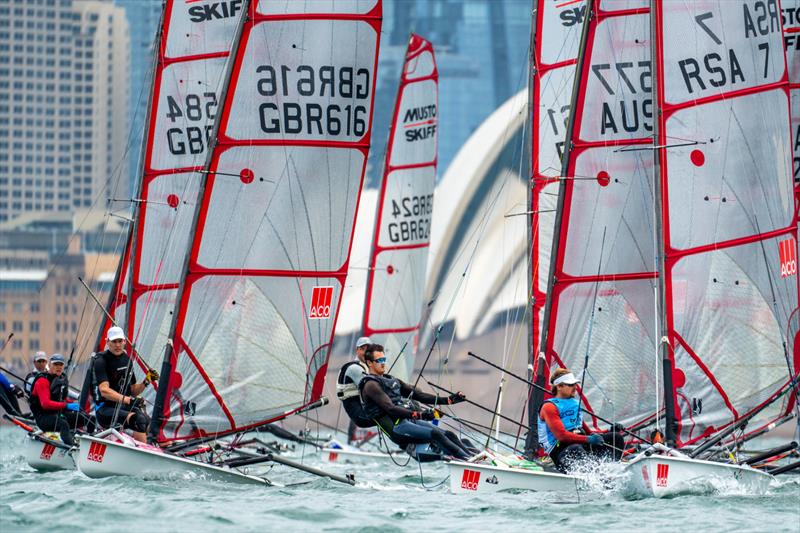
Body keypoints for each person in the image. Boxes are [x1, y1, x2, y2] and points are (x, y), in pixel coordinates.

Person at [358, 344, 474, 460]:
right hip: (397, 428)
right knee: (436, 435)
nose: (383, 363)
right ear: (369, 363)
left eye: (384, 359)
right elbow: (390, 408)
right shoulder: (370, 385)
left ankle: (473, 457)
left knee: (449, 434)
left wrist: (448, 400)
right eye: (379, 360)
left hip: (409, 421)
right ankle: (467, 459)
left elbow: (419, 396)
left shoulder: (392, 380)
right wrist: (419, 415)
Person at [537, 368, 623, 473]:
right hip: (560, 451)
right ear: (559, 386)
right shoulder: (549, 407)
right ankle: (594, 474)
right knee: (575, 449)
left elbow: (589, 433)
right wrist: (588, 439)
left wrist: (610, 430)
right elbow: (562, 436)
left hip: (580, 445)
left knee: (616, 438)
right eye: (570, 385)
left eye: (575, 384)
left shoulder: (574, 404)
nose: (575, 387)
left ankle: (611, 471)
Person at [92, 326, 158, 443]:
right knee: (139, 420)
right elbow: (104, 391)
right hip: (104, 409)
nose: (117, 345)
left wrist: (147, 381)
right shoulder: (101, 361)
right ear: (108, 342)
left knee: (147, 420)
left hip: (122, 406)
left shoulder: (127, 360)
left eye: (120, 341)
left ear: (124, 342)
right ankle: (140, 451)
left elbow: (133, 390)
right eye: (114, 342)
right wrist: (128, 400)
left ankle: (142, 448)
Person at [28, 354, 78, 445]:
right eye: (55, 364)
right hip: (43, 418)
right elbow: (45, 404)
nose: (58, 367)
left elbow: (61, 399)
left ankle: (86, 443)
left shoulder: (61, 379)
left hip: (58, 414)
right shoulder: (42, 381)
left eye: (61, 364)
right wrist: (66, 406)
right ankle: (72, 447)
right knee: (63, 424)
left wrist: (74, 403)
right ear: (49, 365)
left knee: (88, 419)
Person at [336, 336, 374, 442]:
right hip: (358, 413)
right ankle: (351, 439)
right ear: (357, 350)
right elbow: (370, 388)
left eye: (369, 350)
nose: (366, 352)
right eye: (363, 349)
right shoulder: (355, 368)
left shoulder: (367, 367)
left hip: (362, 409)